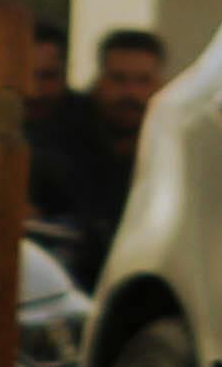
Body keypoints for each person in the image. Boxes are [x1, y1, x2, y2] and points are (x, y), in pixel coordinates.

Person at [23, 25, 164, 291]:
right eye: (119, 79)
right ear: (100, 80)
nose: (131, 94)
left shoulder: (172, 144)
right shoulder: (60, 137)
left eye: (143, 81)